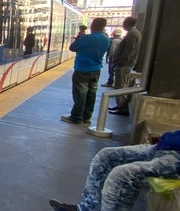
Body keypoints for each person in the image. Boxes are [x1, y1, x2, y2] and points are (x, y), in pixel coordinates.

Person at [49, 130, 180, 211]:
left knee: (122, 175)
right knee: (105, 156)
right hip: (166, 146)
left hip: (176, 158)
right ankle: (87, 208)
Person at [60, 18, 110, 124]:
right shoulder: (106, 39)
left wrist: (80, 36)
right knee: (91, 94)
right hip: (96, 69)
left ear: (92, 26)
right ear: (103, 27)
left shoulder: (86, 38)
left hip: (82, 69)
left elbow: (72, 47)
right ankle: (87, 117)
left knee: (80, 94)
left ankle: (76, 117)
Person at [109, 17, 142, 116]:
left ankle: (122, 107)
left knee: (120, 86)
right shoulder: (135, 33)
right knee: (121, 85)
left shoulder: (132, 34)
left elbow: (128, 51)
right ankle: (120, 105)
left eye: (124, 22)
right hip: (126, 64)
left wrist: (120, 62)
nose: (123, 24)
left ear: (127, 23)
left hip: (124, 65)